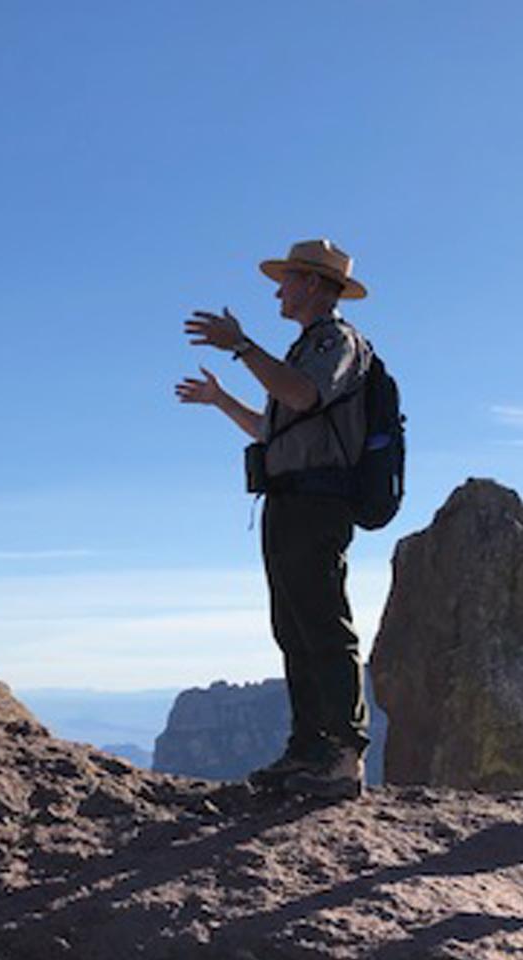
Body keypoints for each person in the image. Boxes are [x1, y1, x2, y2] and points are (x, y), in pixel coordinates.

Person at [176, 239, 371, 801]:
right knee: (293, 625)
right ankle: (308, 748)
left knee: (322, 623)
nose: (277, 292)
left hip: (317, 502)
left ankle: (343, 756)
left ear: (311, 283)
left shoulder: (336, 341)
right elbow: (272, 430)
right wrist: (220, 400)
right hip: (289, 500)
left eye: (285, 280)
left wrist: (241, 345)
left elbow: (304, 397)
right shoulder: (305, 347)